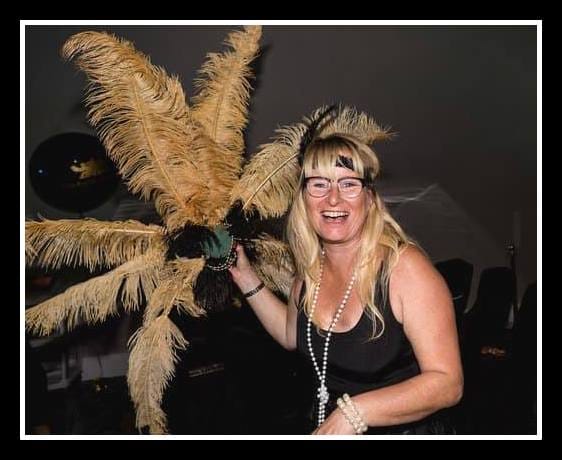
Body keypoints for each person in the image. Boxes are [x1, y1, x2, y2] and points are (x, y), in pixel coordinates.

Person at [229, 133, 463, 435]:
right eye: (319, 184)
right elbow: (291, 335)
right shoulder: (310, 270)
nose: (333, 198)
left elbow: (447, 383)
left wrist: (354, 413)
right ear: (303, 198)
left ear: (369, 197)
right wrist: (245, 276)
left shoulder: (405, 269)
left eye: (348, 184)